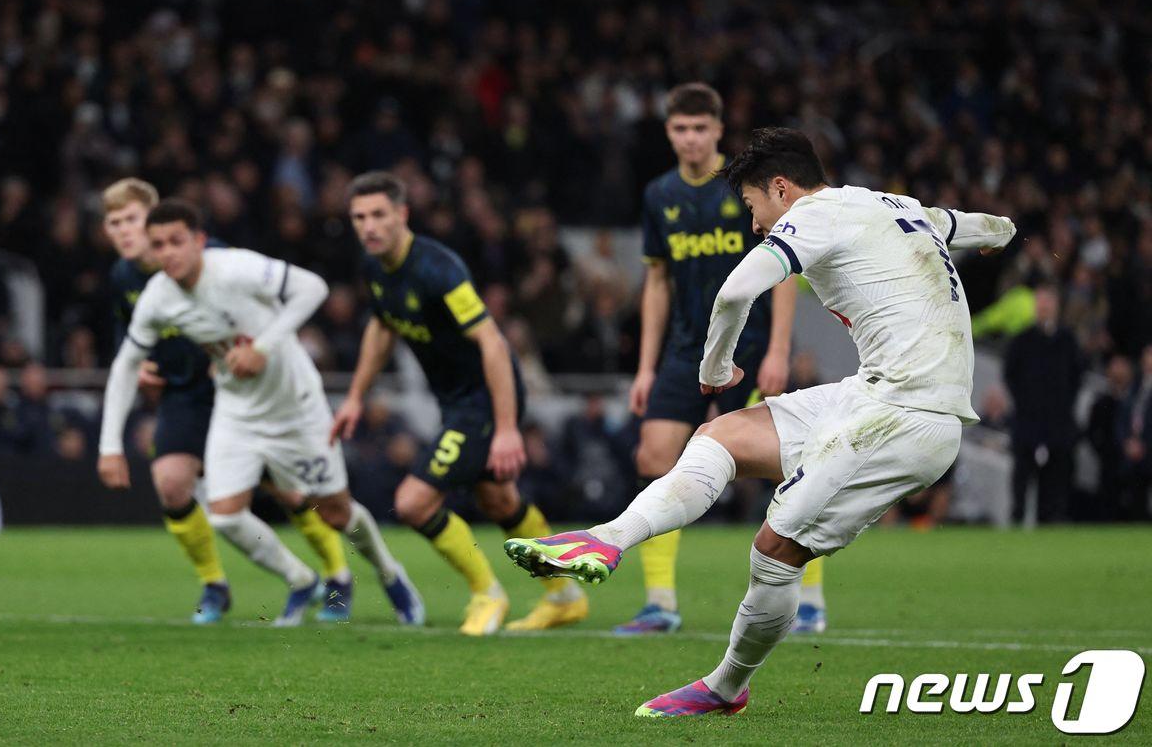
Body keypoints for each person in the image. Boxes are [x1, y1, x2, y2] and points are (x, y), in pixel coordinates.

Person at [505, 127, 1016, 718]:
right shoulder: (892, 204)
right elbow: (981, 225)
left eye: (753, 207)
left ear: (780, 187)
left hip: (909, 418)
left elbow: (734, 292)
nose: (755, 225)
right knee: (721, 436)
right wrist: (1001, 235)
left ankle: (726, 688)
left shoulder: (816, 214)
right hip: (871, 395)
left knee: (774, 549)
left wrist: (716, 365)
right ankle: (606, 539)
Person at [98, 199, 422, 628]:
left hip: (295, 407)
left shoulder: (235, 267)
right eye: (159, 245)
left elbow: (313, 288)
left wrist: (263, 347)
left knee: (335, 512)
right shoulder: (157, 296)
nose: (169, 252)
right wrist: (109, 446)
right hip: (237, 411)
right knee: (225, 515)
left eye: (177, 241)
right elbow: (125, 364)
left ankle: (388, 573)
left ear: (198, 241)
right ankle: (300, 578)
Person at [331, 171, 588, 635]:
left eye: (378, 215)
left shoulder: (438, 269)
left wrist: (507, 427)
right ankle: (565, 595)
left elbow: (492, 342)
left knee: (412, 503)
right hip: (456, 401)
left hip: (485, 397)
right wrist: (354, 396)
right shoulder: (373, 268)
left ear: (402, 215)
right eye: (359, 217)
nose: (368, 226)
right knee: (499, 499)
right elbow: (382, 326)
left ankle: (487, 592)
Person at [620, 82, 823, 636]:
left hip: (752, 346)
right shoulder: (659, 195)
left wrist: (780, 349)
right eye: (679, 129)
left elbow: (783, 268)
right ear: (668, 132)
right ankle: (660, 603)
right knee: (654, 455)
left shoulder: (745, 189)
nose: (689, 139)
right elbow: (656, 282)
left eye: (699, 129)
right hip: (688, 349)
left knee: (790, 465)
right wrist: (645, 366)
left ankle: (808, 597)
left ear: (717, 131)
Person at [1003, 284, 1083, 523]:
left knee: (1054, 489)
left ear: (1056, 306)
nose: (1044, 308)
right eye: (1040, 304)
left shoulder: (1068, 341)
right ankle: (1017, 527)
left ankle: (1050, 528)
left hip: (1058, 427)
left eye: (1047, 303)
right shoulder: (1022, 340)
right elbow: (1011, 375)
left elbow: (1076, 377)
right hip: (1027, 425)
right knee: (1020, 485)